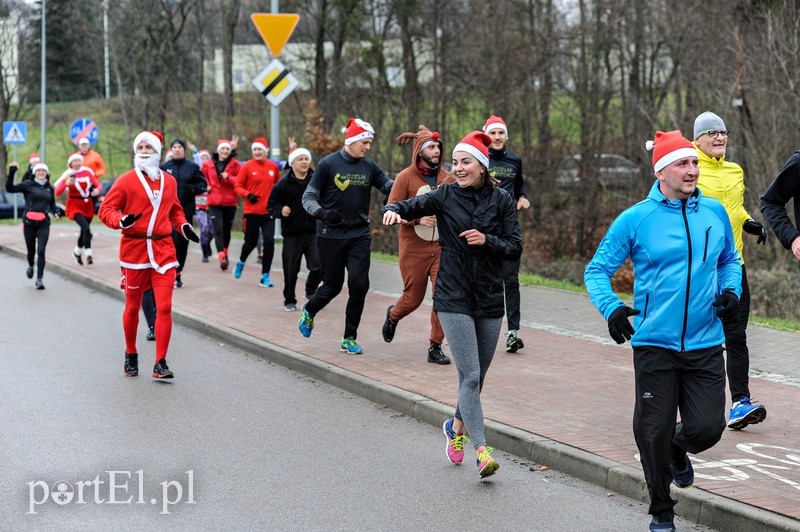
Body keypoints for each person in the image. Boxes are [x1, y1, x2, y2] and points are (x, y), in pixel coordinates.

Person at [584, 130, 742, 532]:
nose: (692, 171)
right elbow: (597, 270)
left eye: (694, 163)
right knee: (651, 432)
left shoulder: (714, 212)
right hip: (655, 342)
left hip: (707, 341)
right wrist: (612, 307)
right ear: (662, 172)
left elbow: (730, 260)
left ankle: (678, 446)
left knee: (707, 428)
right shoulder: (637, 218)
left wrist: (730, 290)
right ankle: (661, 511)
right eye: (683, 164)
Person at [382, 131, 522, 478]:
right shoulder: (444, 195)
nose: (456, 169)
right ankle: (481, 450)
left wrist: (487, 240)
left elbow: (514, 246)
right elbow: (410, 205)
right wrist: (391, 209)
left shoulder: (502, 200)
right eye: (455, 163)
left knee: (477, 378)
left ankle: (455, 427)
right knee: (470, 375)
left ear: (481, 166)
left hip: (489, 297)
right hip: (452, 295)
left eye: (464, 163)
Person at [98, 131, 199, 379]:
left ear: (157, 152)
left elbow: (175, 211)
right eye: (140, 146)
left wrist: (184, 227)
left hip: (164, 250)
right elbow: (105, 210)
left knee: (164, 307)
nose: (144, 150)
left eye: (149, 147)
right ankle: (131, 353)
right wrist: (121, 220)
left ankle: (160, 362)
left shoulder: (169, 181)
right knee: (132, 307)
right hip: (135, 250)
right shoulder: (125, 181)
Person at [693, 111, 768, 430]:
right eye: (711, 133)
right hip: (698, 270)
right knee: (695, 338)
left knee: (736, 335)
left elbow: (733, 207)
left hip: (734, 267)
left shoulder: (735, 170)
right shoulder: (689, 169)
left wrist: (748, 221)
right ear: (697, 140)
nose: (719, 137)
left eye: (723, 132)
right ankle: (685, 401)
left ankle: (740, 403)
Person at [298, 117, 394, 354]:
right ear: (353, 140)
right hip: (330, 234)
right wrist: (322, 212)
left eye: (370, 142)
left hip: (359, 234)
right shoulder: (327, 164)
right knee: (332, 286)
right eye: (365, 142)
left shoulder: (369, 166)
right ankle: (310, 310)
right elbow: (308, 197)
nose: (368, 147)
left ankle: (349, 337)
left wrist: (398, 196)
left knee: (359, 284)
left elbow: (391, 186)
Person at [381, 125, 452, 365]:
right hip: (414, 249)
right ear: (419, 151)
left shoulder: (447, 178)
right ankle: (393, 315)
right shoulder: (404, 178)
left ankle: (435, 346)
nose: (436, 151)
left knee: (442, 297)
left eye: (438, 147)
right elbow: (391, 210)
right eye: (431, 147)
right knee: (413, 299)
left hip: (441, 249)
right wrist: (417, 218)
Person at [482, 115, 530, 353]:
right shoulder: (481, 158)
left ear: (506, 136)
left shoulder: (514, 159)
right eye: (493, 133)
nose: (497, 137)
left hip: (510, 228)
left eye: (501, 133)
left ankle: (512, 333)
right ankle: (479, 327)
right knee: (485, 280)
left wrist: (521, 196)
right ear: (486, 136)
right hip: (485, 228)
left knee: (511, 281)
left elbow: (519, 184)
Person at [268, 147, 321, 311]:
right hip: (292, 234)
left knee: (319, 266)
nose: (304, 162)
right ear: (292, 163)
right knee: (291, 271)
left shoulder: (316, 180)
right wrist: (281, 211)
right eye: (300, 159)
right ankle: (289, 299)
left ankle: (310, 292)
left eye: (306, 158)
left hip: (313, 232)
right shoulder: (283, 184)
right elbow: (271, 206)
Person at [232, 137, 281, 286]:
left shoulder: (273, 167)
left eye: (260, 149)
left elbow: (279, 186)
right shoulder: (246, 167)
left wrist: (278, 201)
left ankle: (265, 275)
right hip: (252, 211)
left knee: (269, 243)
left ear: (265, 151)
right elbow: (237, 186)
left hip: (268, 212)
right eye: (255, 150)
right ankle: (241, 262)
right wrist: (248, 195)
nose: (257, 152)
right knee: (251, 242)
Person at [6, 161, 60, 289]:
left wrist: (56, 211)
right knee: (31, 251)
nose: (41, 173)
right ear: (34, 173)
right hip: (29, 224)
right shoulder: (27, 185)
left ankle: (39, 279)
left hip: (44, 224)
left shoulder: (49, 188)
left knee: (41, 251)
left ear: (47, 173)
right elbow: (10, 188)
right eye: (38, 170)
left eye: (43, 171)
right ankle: (31, 265)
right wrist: (12, 172)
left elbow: (52, 204)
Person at [161, 138, 207, 287]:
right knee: (171, 243)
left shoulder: (192, 167)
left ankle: (178, 272)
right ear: (171, 150)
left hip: (185, 212)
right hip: (167, 213)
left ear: (183, 150)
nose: (177, 149)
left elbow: (203, 185)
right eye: (174, 147)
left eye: (179, 147)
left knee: (182, 244)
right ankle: (171, 272)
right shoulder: (164, 167)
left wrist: (191, 188)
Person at [54, 153, 101, 265]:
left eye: (78, 161)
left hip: (87, 204)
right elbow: (57, 191)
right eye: (74, 161)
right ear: (70, 164)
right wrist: (66, 183)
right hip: (75, 205)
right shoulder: (68, 175)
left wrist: (97, 191)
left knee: (83, 230)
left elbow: (98, 185)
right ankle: (89, 254)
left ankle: (77, 252)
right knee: (86, 229)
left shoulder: (87, 172)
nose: (76, 163)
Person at [202, 138, 241, 271]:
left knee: (226, 231)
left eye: (227, 149)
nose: (225, 151)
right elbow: (202, 179)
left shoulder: (235, 164)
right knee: (218, 229)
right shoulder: (208, 164)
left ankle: (225, 252)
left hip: (230, 202)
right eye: (222, 149)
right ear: (218, 150)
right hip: (214, 201)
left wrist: (228, 177)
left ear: (230, 151)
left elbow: (240, 182)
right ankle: (221, 257)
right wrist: (205, 186)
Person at [192, 149, 214, 262]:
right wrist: (204, 188)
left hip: (211, 204)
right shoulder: (195, 172)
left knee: (213, 230)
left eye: (206, 158)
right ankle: (205, 253)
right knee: (204, 227)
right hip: (199, 205)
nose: (204, 161)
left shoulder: (212, 171)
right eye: (202, 158)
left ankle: (207, 243)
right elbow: (192, 187)